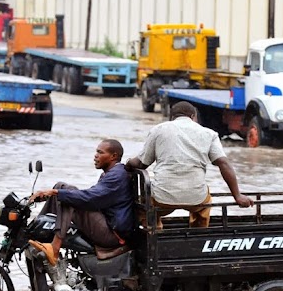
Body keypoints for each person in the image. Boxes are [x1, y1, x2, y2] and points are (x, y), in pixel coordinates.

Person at [125, 101, 253, 229]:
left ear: (172, 117)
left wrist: (129, 163)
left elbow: (141, 163)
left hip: (162, 197)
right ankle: (198, 232)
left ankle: (155, 231)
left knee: (144, 204)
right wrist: (237, 196)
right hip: (196, 198)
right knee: (204, 205)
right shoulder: (209, 134)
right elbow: (223, 163)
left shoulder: (159, 130)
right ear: (193, 116)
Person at [27, 138, 135, 266]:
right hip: (107, 224)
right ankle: (39, 234)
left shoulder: (117, 175)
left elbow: (90, 198)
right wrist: (51, 194)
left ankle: (55, 248)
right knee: (61, 187)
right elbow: (93, 195)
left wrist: (56, 193)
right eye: (96, 152)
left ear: (113, 156)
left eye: (100, 152)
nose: (95, 156)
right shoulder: (111, 173)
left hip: (113, 235)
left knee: (65, 192)